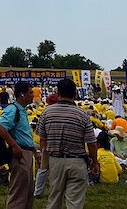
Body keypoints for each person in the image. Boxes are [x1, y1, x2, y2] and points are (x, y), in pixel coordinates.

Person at [36, 78, 98, 209]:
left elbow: (42, 139)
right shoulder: (83, 115)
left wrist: (44, 158)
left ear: (57, 93)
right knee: (75, 202)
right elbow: (92, 144)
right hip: (77, 162)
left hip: (55, 161)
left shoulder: (47, 112)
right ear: (75, 94)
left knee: (54, 198)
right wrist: (94, 161)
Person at [0, 81, 36, 209]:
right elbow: (0, 126)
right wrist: (13, 145)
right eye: (30, 93)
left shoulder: (22, 110)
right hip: (20, 153)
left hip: (27, 153)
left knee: (28, 191)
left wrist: (35, 151)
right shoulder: (13, 109)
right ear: (22, 94)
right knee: (18, 193)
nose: (33, 95)